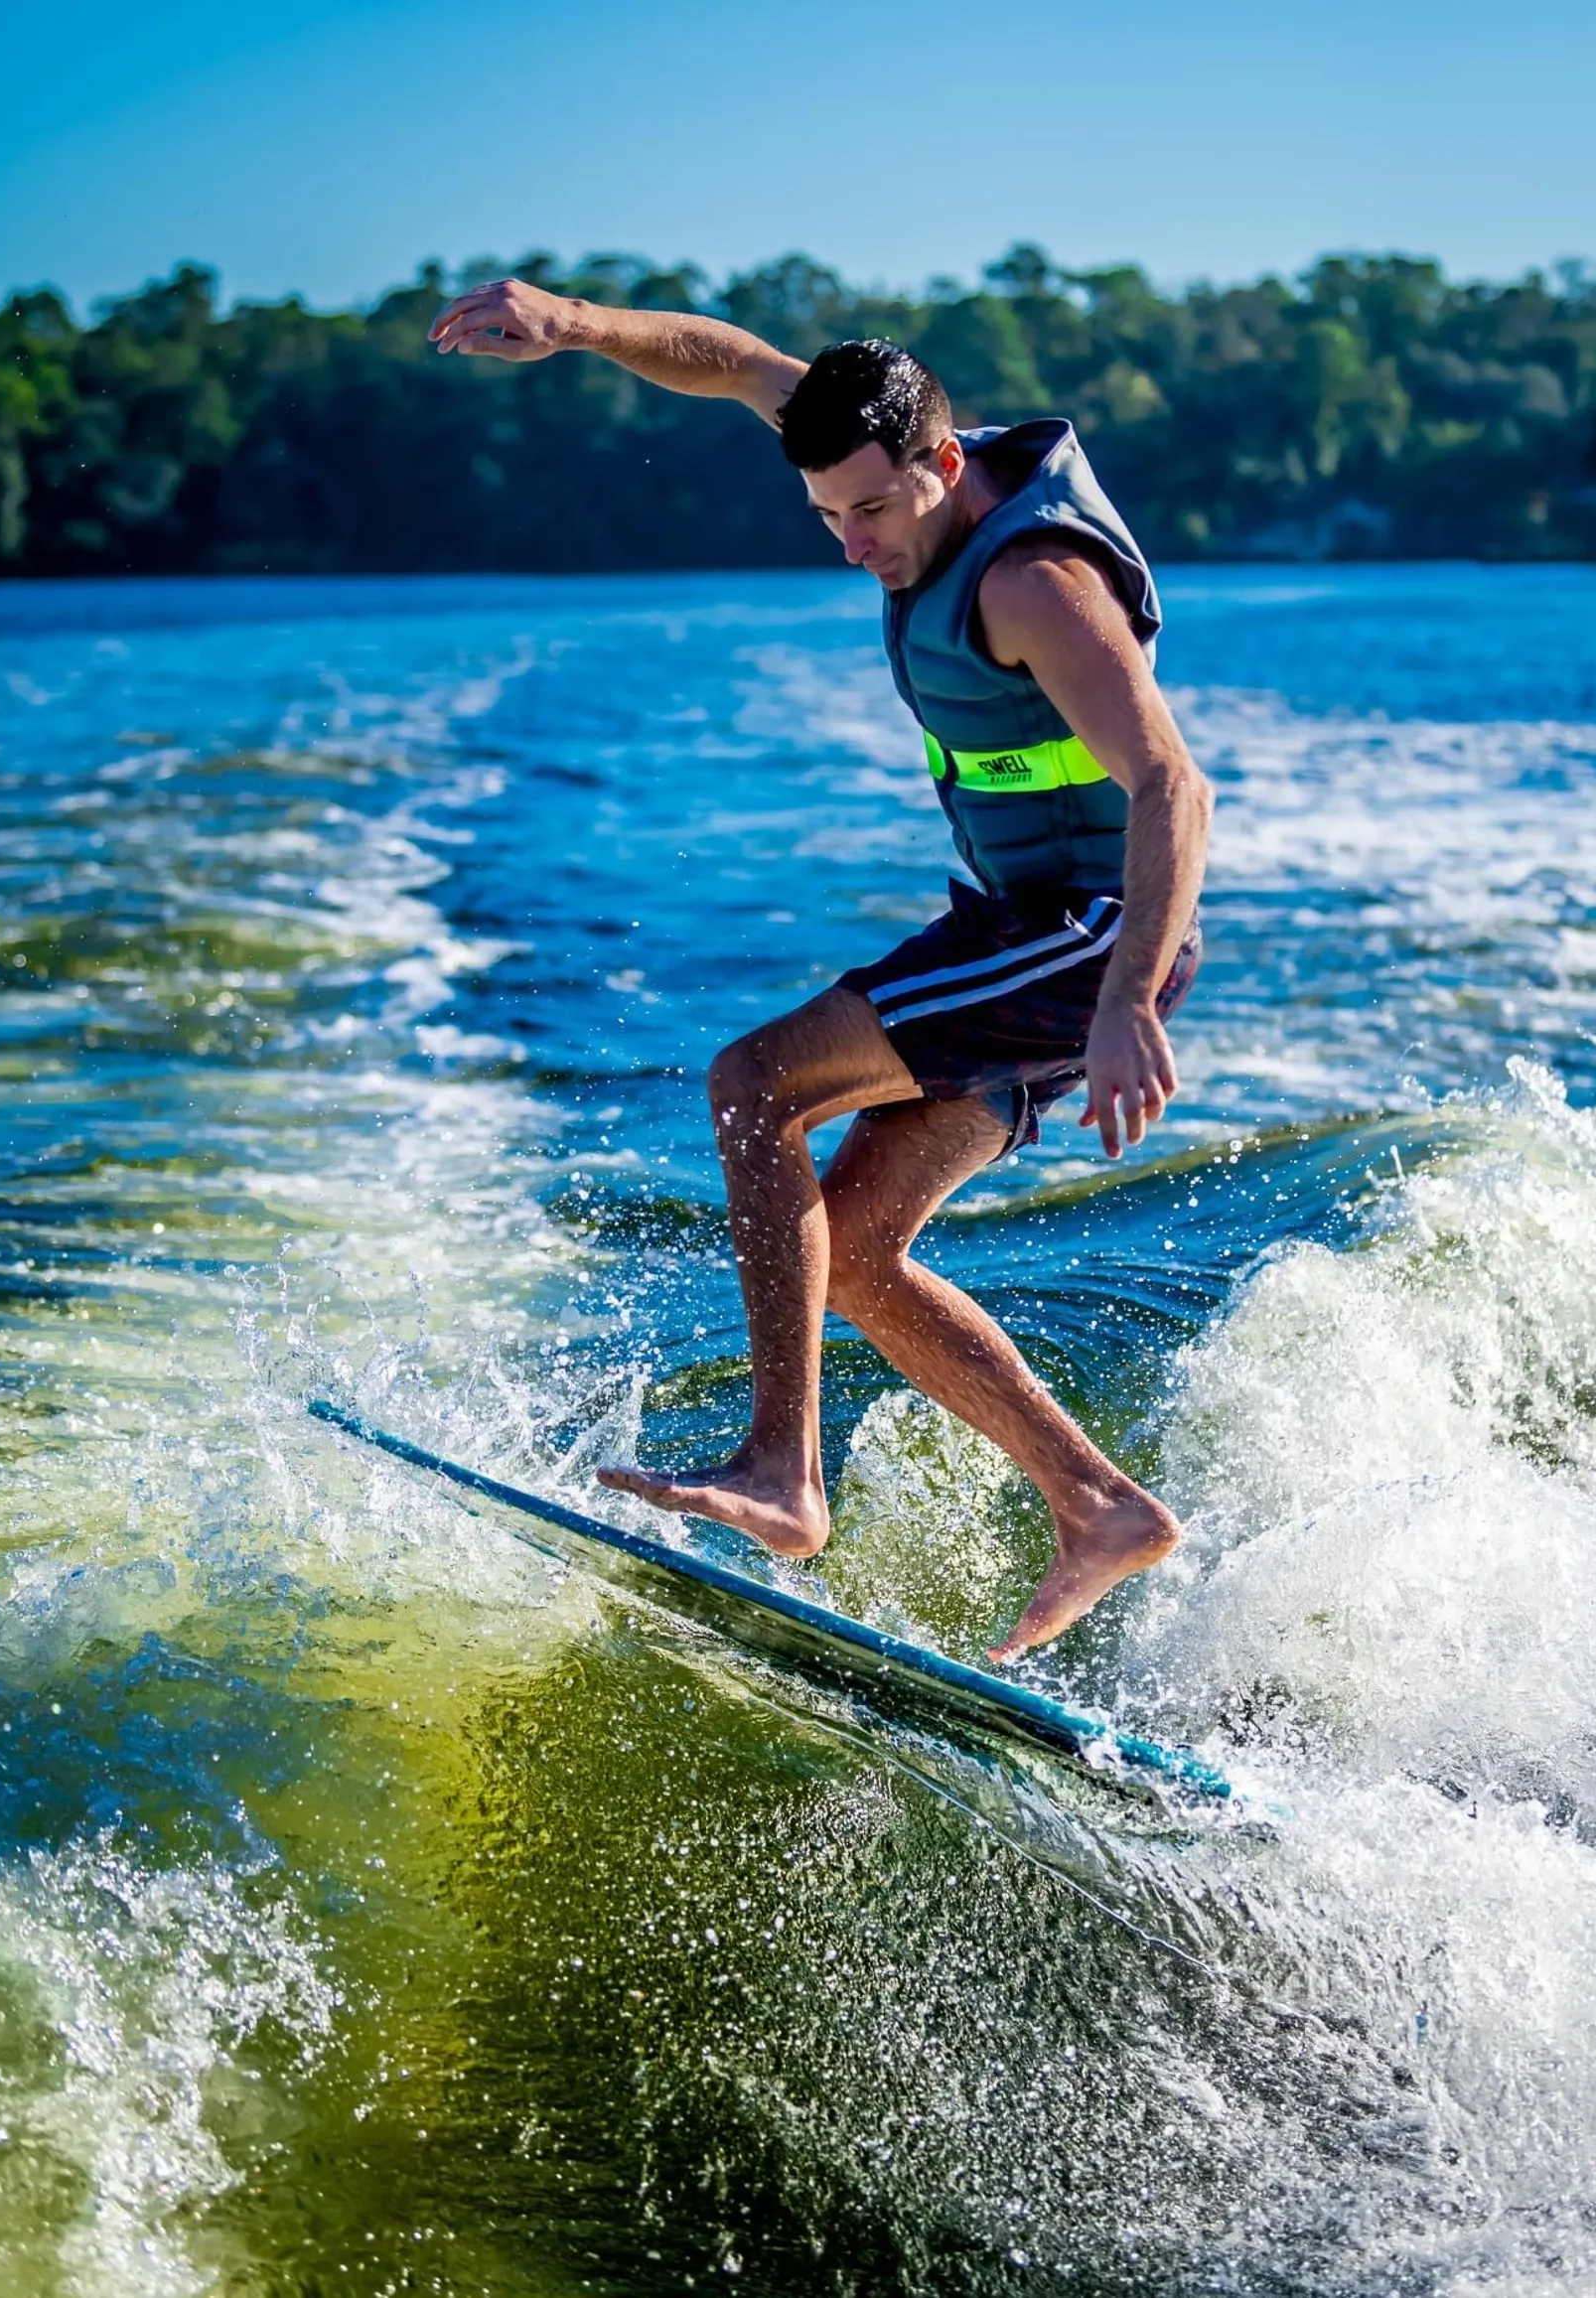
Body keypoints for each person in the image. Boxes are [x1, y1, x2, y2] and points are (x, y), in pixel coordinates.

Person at [429, 278, 1212, 1658]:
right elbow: (733, 363)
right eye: (828, 519)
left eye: (873, 512)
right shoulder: (875, 449)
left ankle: (780, 1471)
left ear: (946, 464)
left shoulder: (1034, 582)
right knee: (849, 1251)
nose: (853, 545)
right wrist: (573, 325)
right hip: (1011, 927)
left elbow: (1172, 786)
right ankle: (1099, 1506)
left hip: (1086, 937)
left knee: (755, 1085)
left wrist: (1126, 1003)